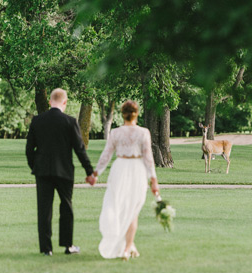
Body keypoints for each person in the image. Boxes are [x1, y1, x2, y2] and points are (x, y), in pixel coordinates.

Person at [25, 88, 96, 256]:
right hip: (64, 170)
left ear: (50, 101)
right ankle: (68, 246)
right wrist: (89, 172)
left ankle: (46, 249)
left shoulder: (37, 120)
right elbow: (80, 149)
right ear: (65, 102)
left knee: (44, 210)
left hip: (42, 171)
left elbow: (29, 149)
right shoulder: (70, 122)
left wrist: (35, 165)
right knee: (66, 207)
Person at [92, 100, 160, 261]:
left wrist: (95, 174)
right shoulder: (143, 132)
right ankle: (127, 248)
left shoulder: (115, 133)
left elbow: (106, 155)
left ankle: (127, 246)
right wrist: (153, 179)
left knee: (120, 207)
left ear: (122, 114)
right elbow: (148, 158)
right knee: (133, 210)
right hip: (137, 169)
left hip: (120, 168)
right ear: (137, 114)